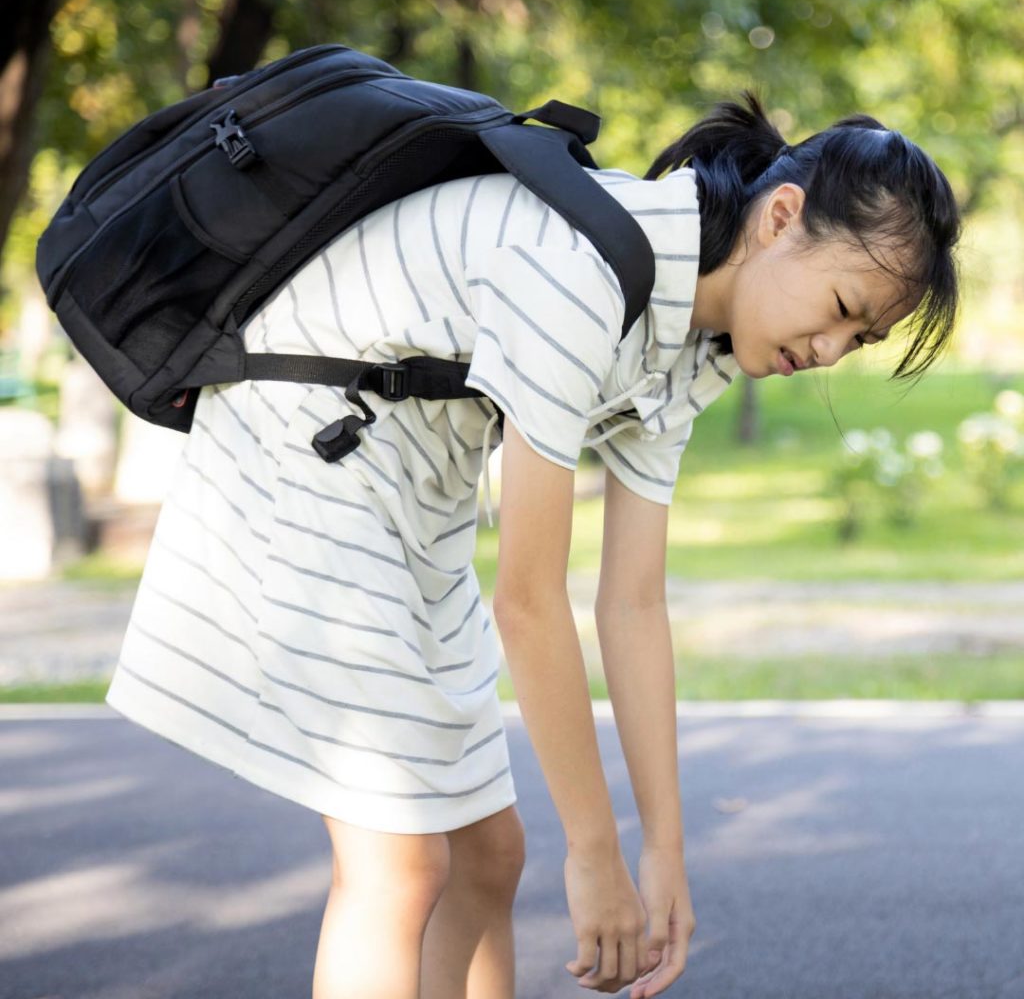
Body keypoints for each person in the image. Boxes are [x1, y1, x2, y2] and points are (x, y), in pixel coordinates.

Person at [103, 91, 960, 999]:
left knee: (490, 858)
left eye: (859, 340)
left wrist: (663, 851)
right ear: (780, 217)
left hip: (410, 495)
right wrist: (594, 854)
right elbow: (528, 599)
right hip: (304, 451)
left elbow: (631, 602)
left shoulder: (690, 346)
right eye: (840, 306)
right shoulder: (587, 269)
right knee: (398, 869)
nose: (830, 349)